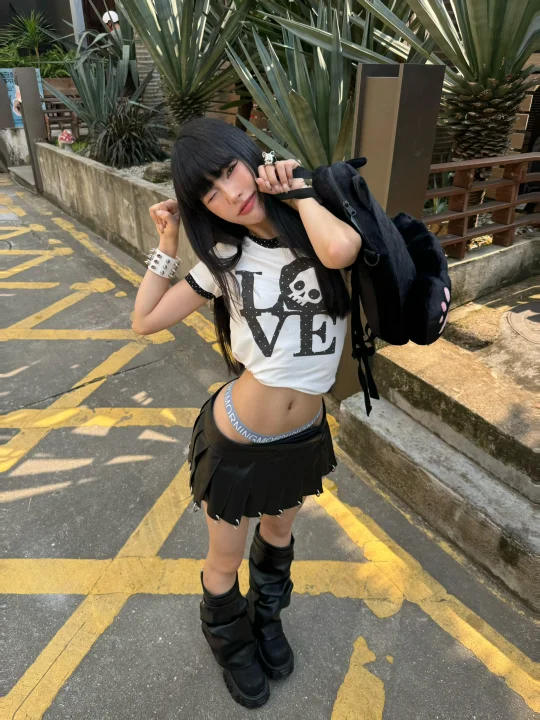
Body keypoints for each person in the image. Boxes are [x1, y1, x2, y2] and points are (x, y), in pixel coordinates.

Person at [132, 117, 361, 708]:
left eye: (230, 170)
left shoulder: (320, 224)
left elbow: (343, 251)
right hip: (237, 441)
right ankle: (230, 641)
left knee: (279, 535)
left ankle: (267, 619)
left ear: (251, 157)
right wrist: (168, 244)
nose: (231, 193)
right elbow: (145, 320)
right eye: (210, 192)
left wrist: (300, 193)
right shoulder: (224, 259)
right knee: (225, 556)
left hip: (303, 436)